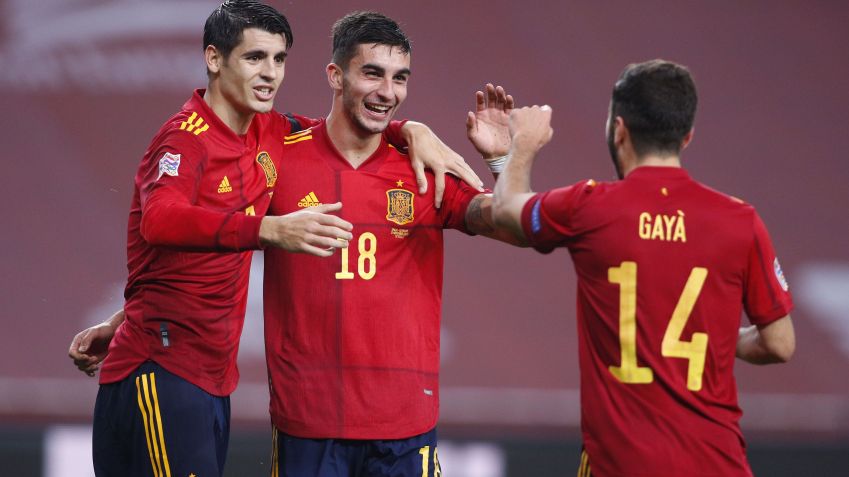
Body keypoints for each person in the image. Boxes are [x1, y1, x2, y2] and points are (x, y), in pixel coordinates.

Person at [67, 2, 482, 476]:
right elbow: (160, 221)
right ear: (214, 59)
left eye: (279, 59)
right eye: (254, 58)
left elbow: (343, 128)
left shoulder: (267, 129)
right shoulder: (185, 138)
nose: (270, 73)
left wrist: (410, 129)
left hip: (205, 376)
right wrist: (270, 229)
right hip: (162, 368)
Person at [491, 59, 796, 476]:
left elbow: (505, 209)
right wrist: (715, 338)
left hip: (623, 466)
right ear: (687, 136)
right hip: (718, 463)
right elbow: (780, 343)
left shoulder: (590, 208)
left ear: (619, 129)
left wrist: (522, 145)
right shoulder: (740, 221)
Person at [262, 11, 520, 477]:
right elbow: (214, 222)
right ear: (335, 76)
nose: (388, 92)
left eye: (400, 78)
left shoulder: (424, 169)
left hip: (404, 427)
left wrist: (502, 161)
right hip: (307, 421)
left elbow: (515, 228)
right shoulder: (280, 155)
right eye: (372, 73)